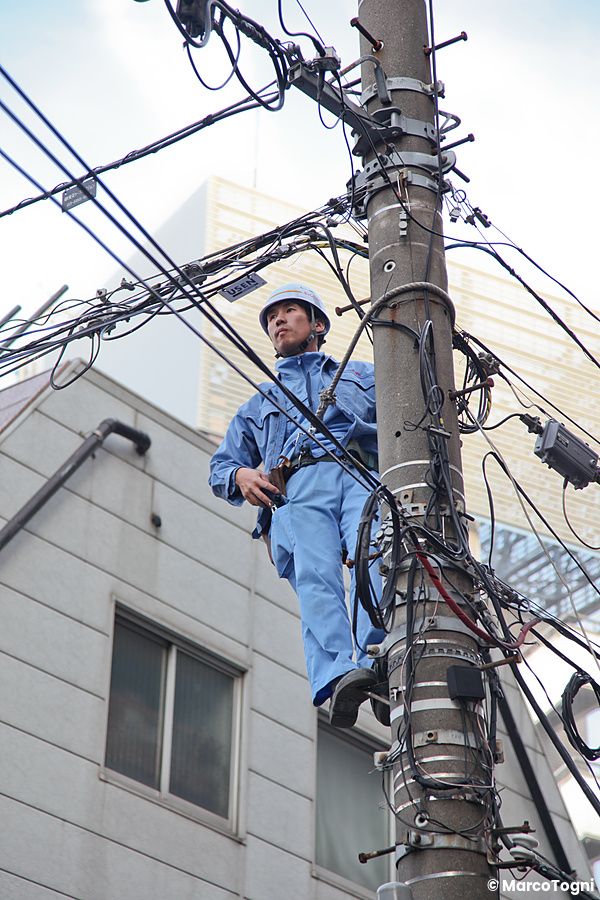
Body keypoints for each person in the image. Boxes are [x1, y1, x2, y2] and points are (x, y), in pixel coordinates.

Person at [209, 283, 385, 727]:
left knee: (377, 558)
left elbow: (407, 422)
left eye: (289, 312)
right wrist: (241, 474)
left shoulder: (361, 375)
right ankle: (339, 673)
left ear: (318, 324)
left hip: (360, 474)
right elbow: (221, 466)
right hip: (300, 484)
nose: (278, 321)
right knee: (317, 575)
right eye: (271, 318)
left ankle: (380, 658)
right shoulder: (260, 402)